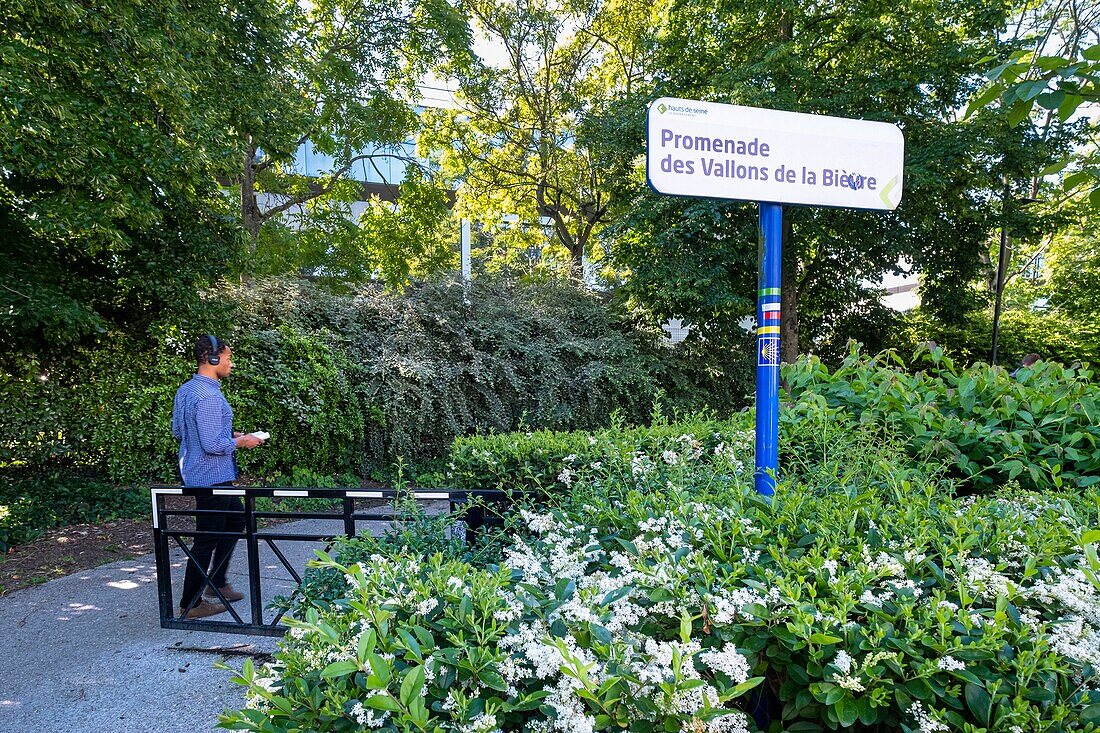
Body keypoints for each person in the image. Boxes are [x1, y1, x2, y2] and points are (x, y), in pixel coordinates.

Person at [172, 335, 264, 619]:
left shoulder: (186, 391)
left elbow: (180, 432)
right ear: (212, 360)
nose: (230, 364)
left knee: (236, 520)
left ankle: (218, 582)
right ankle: (191, 603)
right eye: (227, 358)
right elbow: (212, 445)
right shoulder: (210, 396)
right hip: (211, 477)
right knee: (206, 539)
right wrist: (241, 442)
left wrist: (229, 435)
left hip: (200, 473)